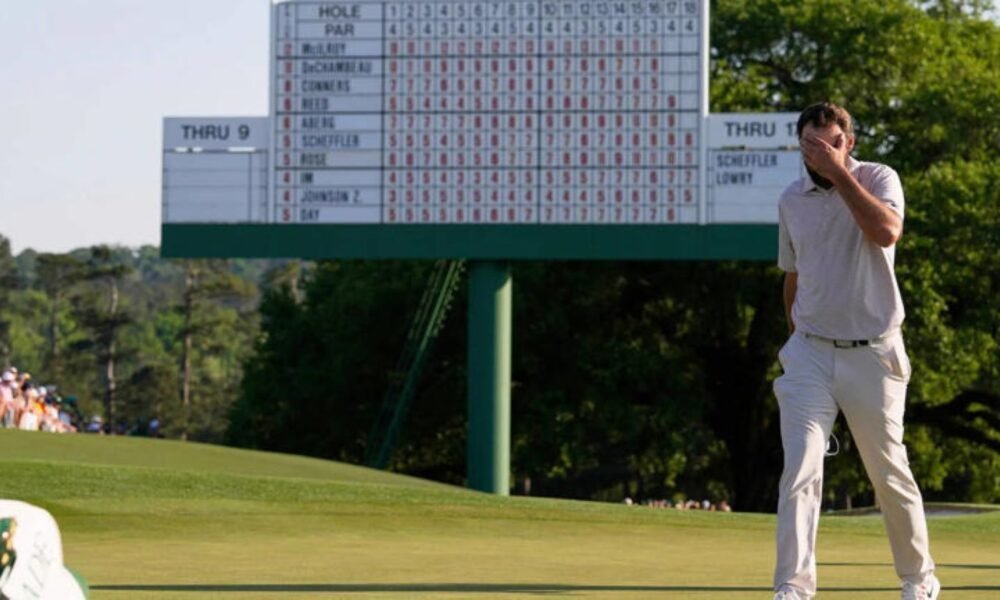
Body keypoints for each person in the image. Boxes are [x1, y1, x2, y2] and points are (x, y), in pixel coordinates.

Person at [772, 102, 938, 600]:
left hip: (874, 352)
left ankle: (919, 580)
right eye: (811, 144)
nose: (820, 153)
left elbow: (885, 230)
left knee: (888, 473)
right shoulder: (791, 199)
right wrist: (795, 337)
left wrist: (839, 173)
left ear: (850, 144)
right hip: (810, 353)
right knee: (800, 469)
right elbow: (793, 276)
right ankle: (793, 587)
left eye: (832, 143)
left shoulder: (879, 178)